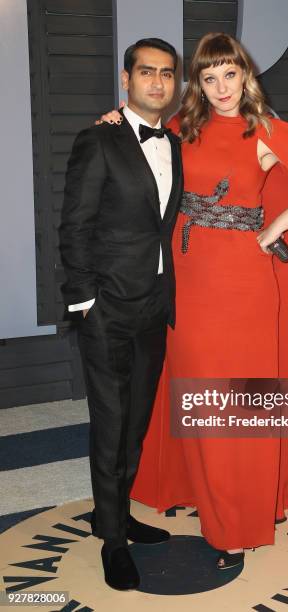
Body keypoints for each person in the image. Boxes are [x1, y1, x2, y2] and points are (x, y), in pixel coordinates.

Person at [101, 32, 288, 570]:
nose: (222, 87)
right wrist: (112, 121)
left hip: (244, 286)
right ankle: (222, 503)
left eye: (230, 75)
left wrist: (273, 225)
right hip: (186, 283)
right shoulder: (183, 127)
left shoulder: (266, 130)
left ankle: (236, 523)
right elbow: (141, 146)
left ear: (245, 74)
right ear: (198, 85)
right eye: (209, 78)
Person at [59, 38, 183, 590]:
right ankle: (111, 539)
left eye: (166, 74)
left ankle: (119, 512)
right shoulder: (98, 139)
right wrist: (84, 301)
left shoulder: (176, 143)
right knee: (109, 425)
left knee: (135, 422)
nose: (157, 82)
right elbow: (75, 225)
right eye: (146, 72)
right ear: (126, 79)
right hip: (106, 308)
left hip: (155, 305)